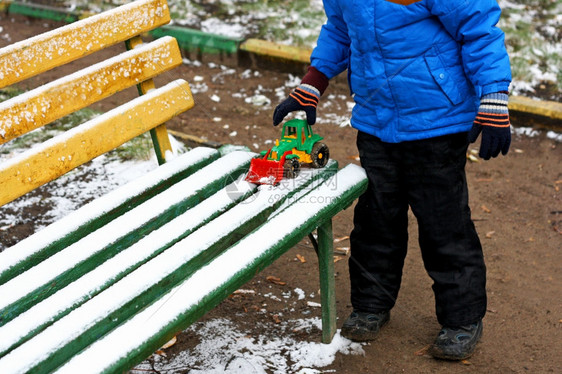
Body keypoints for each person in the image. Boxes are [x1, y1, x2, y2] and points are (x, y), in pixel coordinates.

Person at [273, 0, 511, 361]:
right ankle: (370, 305)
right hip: (376, 121)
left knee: (444, 227)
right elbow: (340, 28)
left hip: (437, 123)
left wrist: (494, 94)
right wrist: (314, 82)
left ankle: (462, 319)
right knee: (375, 222)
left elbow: (478, 29)